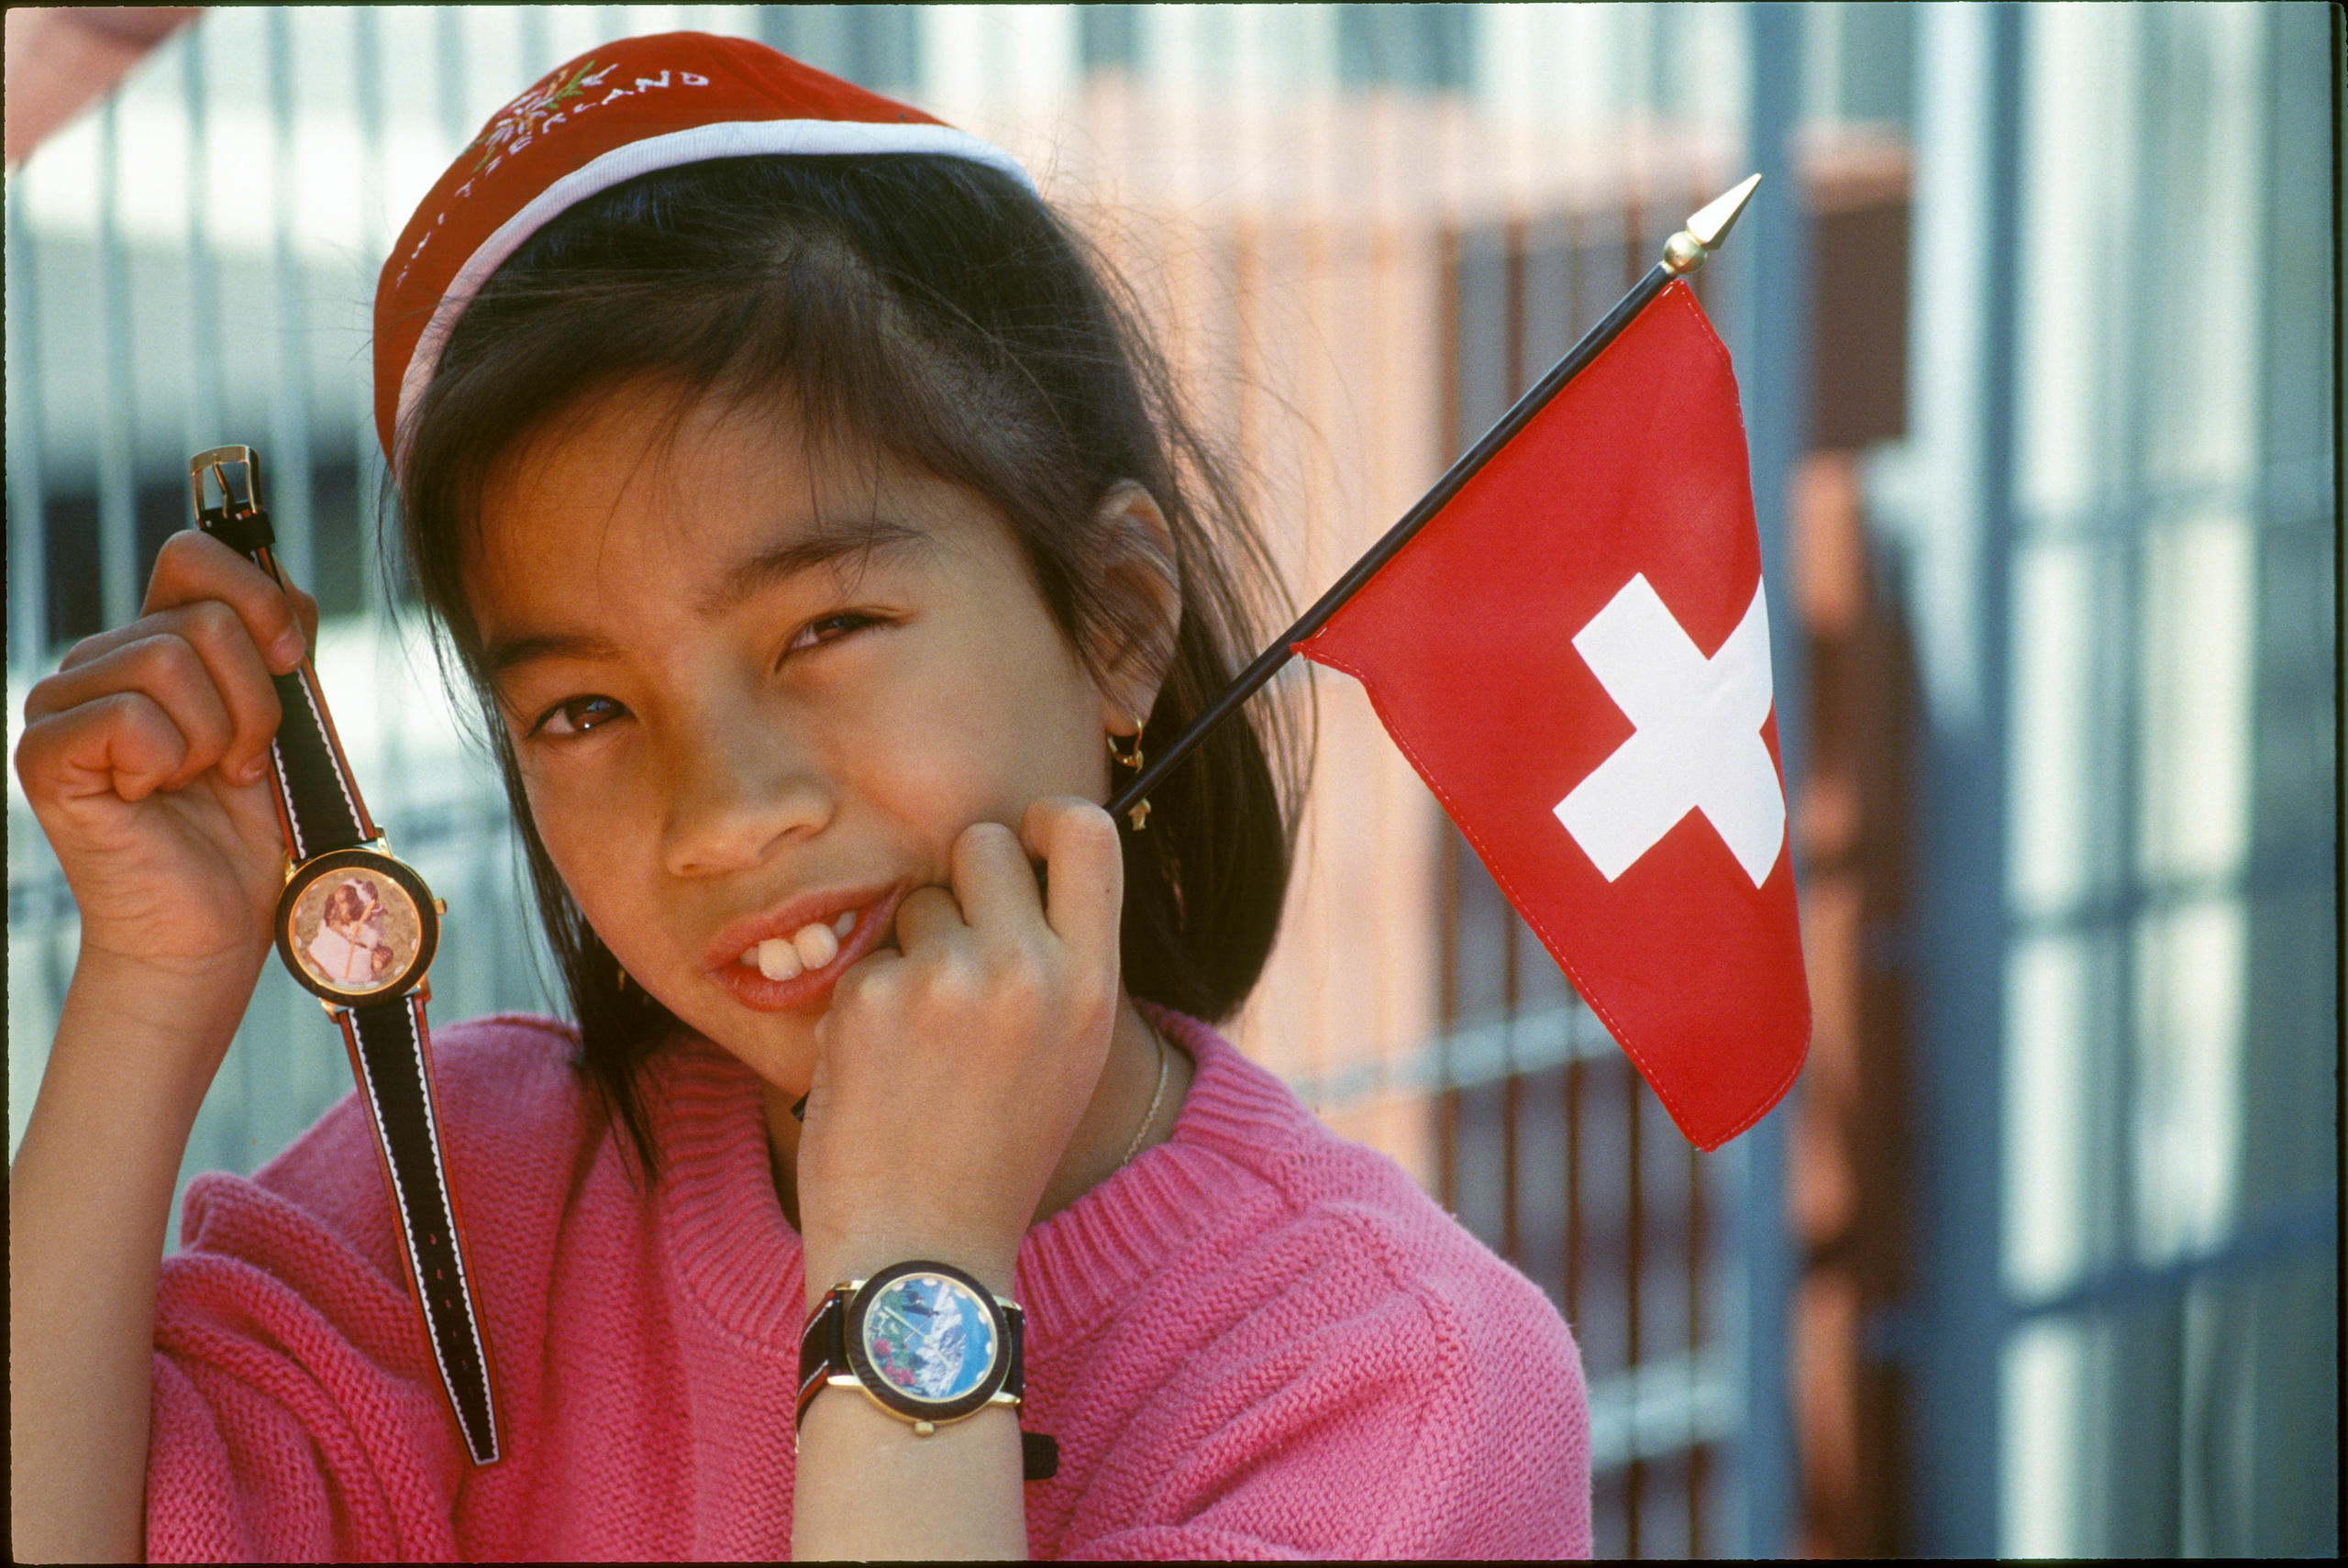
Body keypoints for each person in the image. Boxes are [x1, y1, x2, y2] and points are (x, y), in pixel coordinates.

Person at [11, 32, 1590, 1562]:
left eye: (823, 630)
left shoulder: (1393, 1379)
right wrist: (153, 983)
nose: (723, 814)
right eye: (581, 708)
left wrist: (913, 1266)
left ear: (1114, 620)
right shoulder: (466, 1214)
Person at [303, 878, 395, 988]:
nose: (366, 886)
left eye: (362, 882)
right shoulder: (327, 951)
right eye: (350, 896)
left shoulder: (360, 943)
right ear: (333, 913)